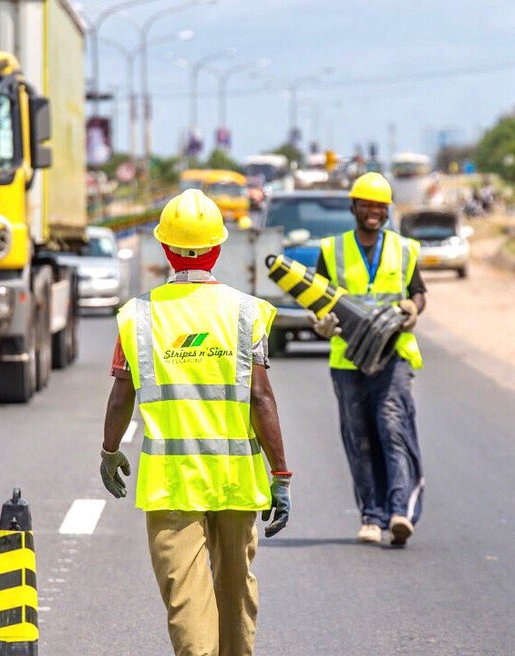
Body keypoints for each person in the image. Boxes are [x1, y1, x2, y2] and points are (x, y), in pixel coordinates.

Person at [100, 189, 291, 656]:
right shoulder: (247, 313)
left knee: (186, 601)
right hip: (235, 481)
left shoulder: (138, 316)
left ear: (164, 249)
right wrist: (280, 475)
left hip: (172, 485)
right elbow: (261, 397)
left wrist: (109, 451)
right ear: (218, 248)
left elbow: (121, 393)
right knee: (235, 595)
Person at [312, 172, 426, 547]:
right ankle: (371, 517)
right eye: (367, 205)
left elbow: (418, 293)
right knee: (359, 438)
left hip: (394, 356)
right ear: (354, 207)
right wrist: (321, 324)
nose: (373, 212)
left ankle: (398, 513)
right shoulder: (331, 251)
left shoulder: (405, 250)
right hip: (348, 360)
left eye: (380, 206)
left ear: (387, 210)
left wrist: (412, 307)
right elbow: (318, 301)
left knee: (393, 429)